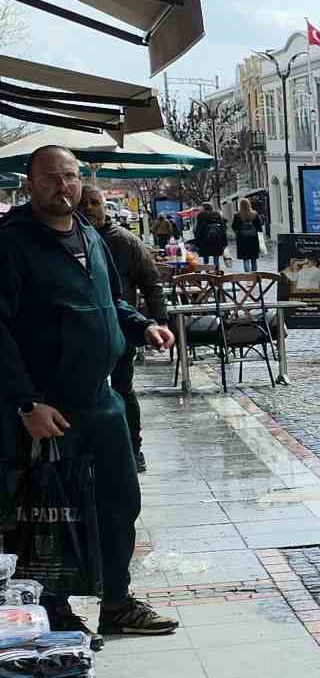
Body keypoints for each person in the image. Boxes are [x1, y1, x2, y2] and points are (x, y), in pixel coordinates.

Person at [0, 145, 180, 645]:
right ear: (30, 182)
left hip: (103, 401)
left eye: (72, 176)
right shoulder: (12, 244)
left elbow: (111, 299)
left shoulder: (90, 236)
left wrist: (143, 326)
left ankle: (117, 603)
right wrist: (26, 402)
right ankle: (52, 610)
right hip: (49, 408)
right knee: (50, 513)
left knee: (120, 502)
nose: (64, 186)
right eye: (52, 177)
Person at [82, 187, 167, 474]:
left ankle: (133, 448)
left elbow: (151, 284)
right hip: (84, 334)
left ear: (105, 206)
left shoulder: (125, 241)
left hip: (120, 328)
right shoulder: (71, 239)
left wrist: (160, 322)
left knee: (123, 389)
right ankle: (94, 450)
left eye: (95, 202)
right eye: (84, 203)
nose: (89, 208)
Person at [231, 198, 264, 272]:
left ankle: (248, 276)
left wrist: (238, 232)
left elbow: (234, 226)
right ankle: (254, 275)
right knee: (253, 259)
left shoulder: (237, 215)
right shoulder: (255, 214)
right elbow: (259, 228)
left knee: (245, 259)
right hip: (253, 239)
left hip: (242, 240)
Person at [194, 202, 228, 268]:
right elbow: (223, 228)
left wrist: (197, 242)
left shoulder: (201, 215)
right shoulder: (217, 214)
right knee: (216, 258)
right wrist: (224, 242)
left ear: (204, 207)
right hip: (217, 239)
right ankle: (216, 272)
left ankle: (208, 273)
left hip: (204, 240)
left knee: (206, 258)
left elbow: (199, 229)